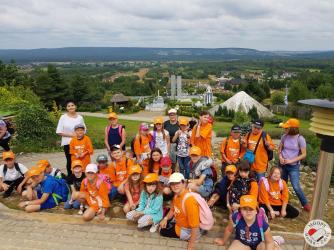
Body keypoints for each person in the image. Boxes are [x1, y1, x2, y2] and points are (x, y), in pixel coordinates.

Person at [214, 195, 284, 249]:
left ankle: (276, 241)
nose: (248, 212)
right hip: (242, 242)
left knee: (272, 247)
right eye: (245, 209)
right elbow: (229, 230)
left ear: (256, 211)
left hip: (260, 243)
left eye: (251, 209)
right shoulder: (235, 217)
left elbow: (269, 242)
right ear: (240, 210)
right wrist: (223, 241)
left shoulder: (262, 223)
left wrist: (271, 244)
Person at [160, 173, 201, 249]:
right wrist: (165, 219)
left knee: (162, 231)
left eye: (177, 183)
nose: (175, 186)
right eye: (172, 184)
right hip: (180, 222)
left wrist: (191, 245)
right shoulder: (176, 195)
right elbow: (173, 209)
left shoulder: (189, 200)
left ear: (183, 183)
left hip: (186, 229)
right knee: (163, 222)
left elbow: (195, 226)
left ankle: (189, 237)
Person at [278, 118, 310, 212]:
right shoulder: (284, 136)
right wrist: (280, 157)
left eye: (287, 128)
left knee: (295, 186)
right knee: (281, 184)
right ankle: (280, 201)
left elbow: (304, 154)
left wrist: (291, 160)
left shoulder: (300, 139)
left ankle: (305, 204)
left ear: (293, 129)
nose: (285, 129)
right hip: (282, 164)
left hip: (293, 167)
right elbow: (280, 149)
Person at [56, 100, 86, 176]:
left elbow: (84, 130)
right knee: (70, 161)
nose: (71, 107)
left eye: (72, 105)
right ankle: (71, 178)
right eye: (69, 106)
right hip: (68, 143)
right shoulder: (63, 117)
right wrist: (73, 136)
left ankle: (80, 177)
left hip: (79, 143)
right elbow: (59, 131)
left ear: (75, 106)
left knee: (80, 160)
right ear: (66, 108)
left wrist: (79, 136)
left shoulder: (80, 117)